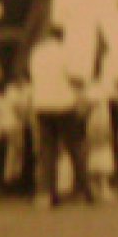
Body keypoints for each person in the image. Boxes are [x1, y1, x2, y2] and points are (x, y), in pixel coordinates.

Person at [29, 24, 90, 209]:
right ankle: (86, 190)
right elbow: (74, 77)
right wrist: (82, 82)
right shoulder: (65, 53)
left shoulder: (36, 53)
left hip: (41, 104)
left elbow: (34, 77)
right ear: (62, 36)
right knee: (75, 147)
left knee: (47, 151)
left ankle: (47, 194)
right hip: (63, 104)